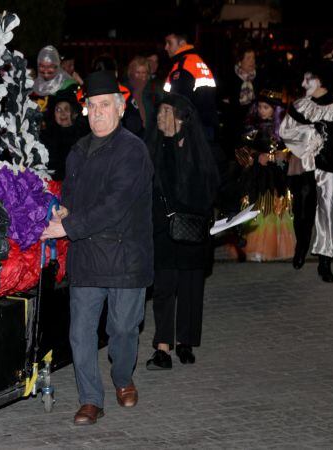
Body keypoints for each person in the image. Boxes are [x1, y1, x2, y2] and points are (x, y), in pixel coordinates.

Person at [40, 71, 153, 426]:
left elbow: (115, 204)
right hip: (87, 254)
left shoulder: (133, 150)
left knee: (122, 329)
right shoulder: (77, 151)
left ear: (119, 109)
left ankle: (122, 378)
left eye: (105, 105)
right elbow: (75, 199)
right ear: (86, 110)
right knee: (80, 332)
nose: (99, 112)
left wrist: (68, 226)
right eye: (92, 106)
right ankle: (90, 398)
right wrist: (63, 210)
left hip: (125, 257)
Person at [146, 94, 219, 371]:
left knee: (190, 287)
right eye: (160, 111)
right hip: (164, 229)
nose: (161, 118)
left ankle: (185, 341)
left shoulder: (198, 147)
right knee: (164, 288)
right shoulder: (154, 146)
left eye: (167, 112)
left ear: (181, 117)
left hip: (192, 228)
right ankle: (162, 347)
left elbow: (210, 185)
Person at [280, 60, 333, 282]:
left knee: (327, 211)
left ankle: (325, 260)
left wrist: (328, 139)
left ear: (322, 80)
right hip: (304, 165)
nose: (304, 83)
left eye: (308, 78)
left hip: (330, 166)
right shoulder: (300, 106)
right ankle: (301, 248)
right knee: (302, 209)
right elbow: (285, 131)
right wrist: (309, 136)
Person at [233, 89, 295, 262]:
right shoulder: (252, 127)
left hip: (277, 177)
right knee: (255, 206)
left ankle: (274, 245)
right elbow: (241, 148)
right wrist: (254, 156)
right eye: (259, 106)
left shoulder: (283, 128)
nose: (261, 110)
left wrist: (281, 154)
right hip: (256, 176)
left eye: (266, 107)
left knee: (275, 208)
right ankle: (255, 246)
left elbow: (292, 148)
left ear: (274, 110)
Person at [163, 31, 218, 140]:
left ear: (182, 44)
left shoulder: (183, 66)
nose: (166, 47)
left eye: (169, 43)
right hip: (205, 124)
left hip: (191, 129)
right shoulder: (196, 61)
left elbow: (179, 102)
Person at [39, 87, 88, 181]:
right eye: (58, 110)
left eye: (66, 109)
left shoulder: (86, 136)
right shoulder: (46, 138)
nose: (62, 113)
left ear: (74, 113)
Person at [123, 56, 164, 138]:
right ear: (131, 73)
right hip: (129, 135)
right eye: (138, 73)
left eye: (144, 73)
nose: (141, 76)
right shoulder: (125, 90)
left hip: (150, 134)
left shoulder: (154, 89)